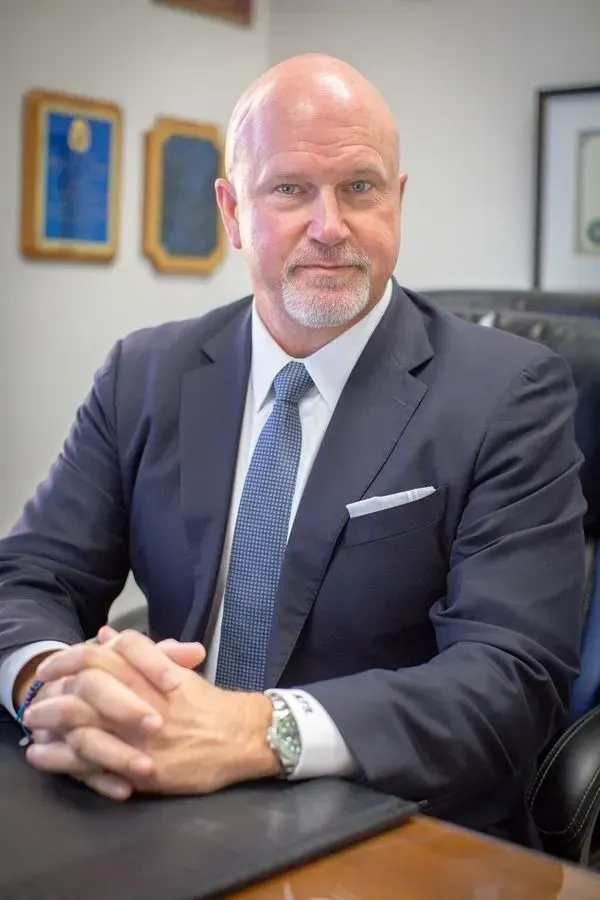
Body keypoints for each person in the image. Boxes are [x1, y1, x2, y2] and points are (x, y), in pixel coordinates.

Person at [0, 53, 586, 846]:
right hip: (152, 802)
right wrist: (53, 686)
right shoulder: (145, 371)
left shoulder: (508, 393)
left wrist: (250, 731)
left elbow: (510, 681)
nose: (330, 225)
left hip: (389, 826)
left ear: (398, 202)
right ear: (233, 211)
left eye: (360, 187)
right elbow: (31, 576)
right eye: (289, 189)